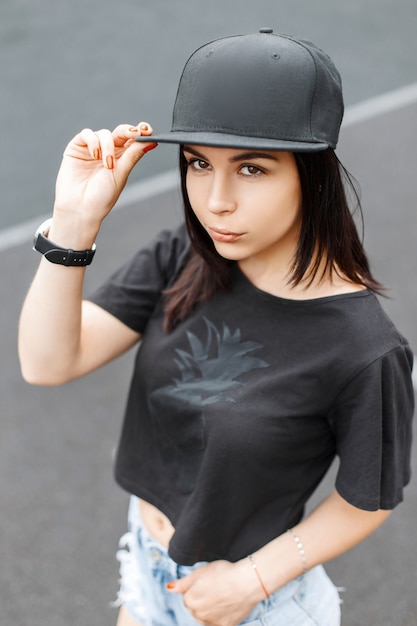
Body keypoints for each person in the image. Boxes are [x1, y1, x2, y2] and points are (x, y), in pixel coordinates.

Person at [18, 29, 414, 626]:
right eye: (199, 164)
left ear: (313, 176)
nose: (216, 200)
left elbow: (368, 497)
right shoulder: (183, 254)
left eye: (252, 168)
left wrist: (252, 581)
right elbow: (48, 364)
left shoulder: (364, 348)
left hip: (254, 599)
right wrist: (75, 224)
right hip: (150, 564)